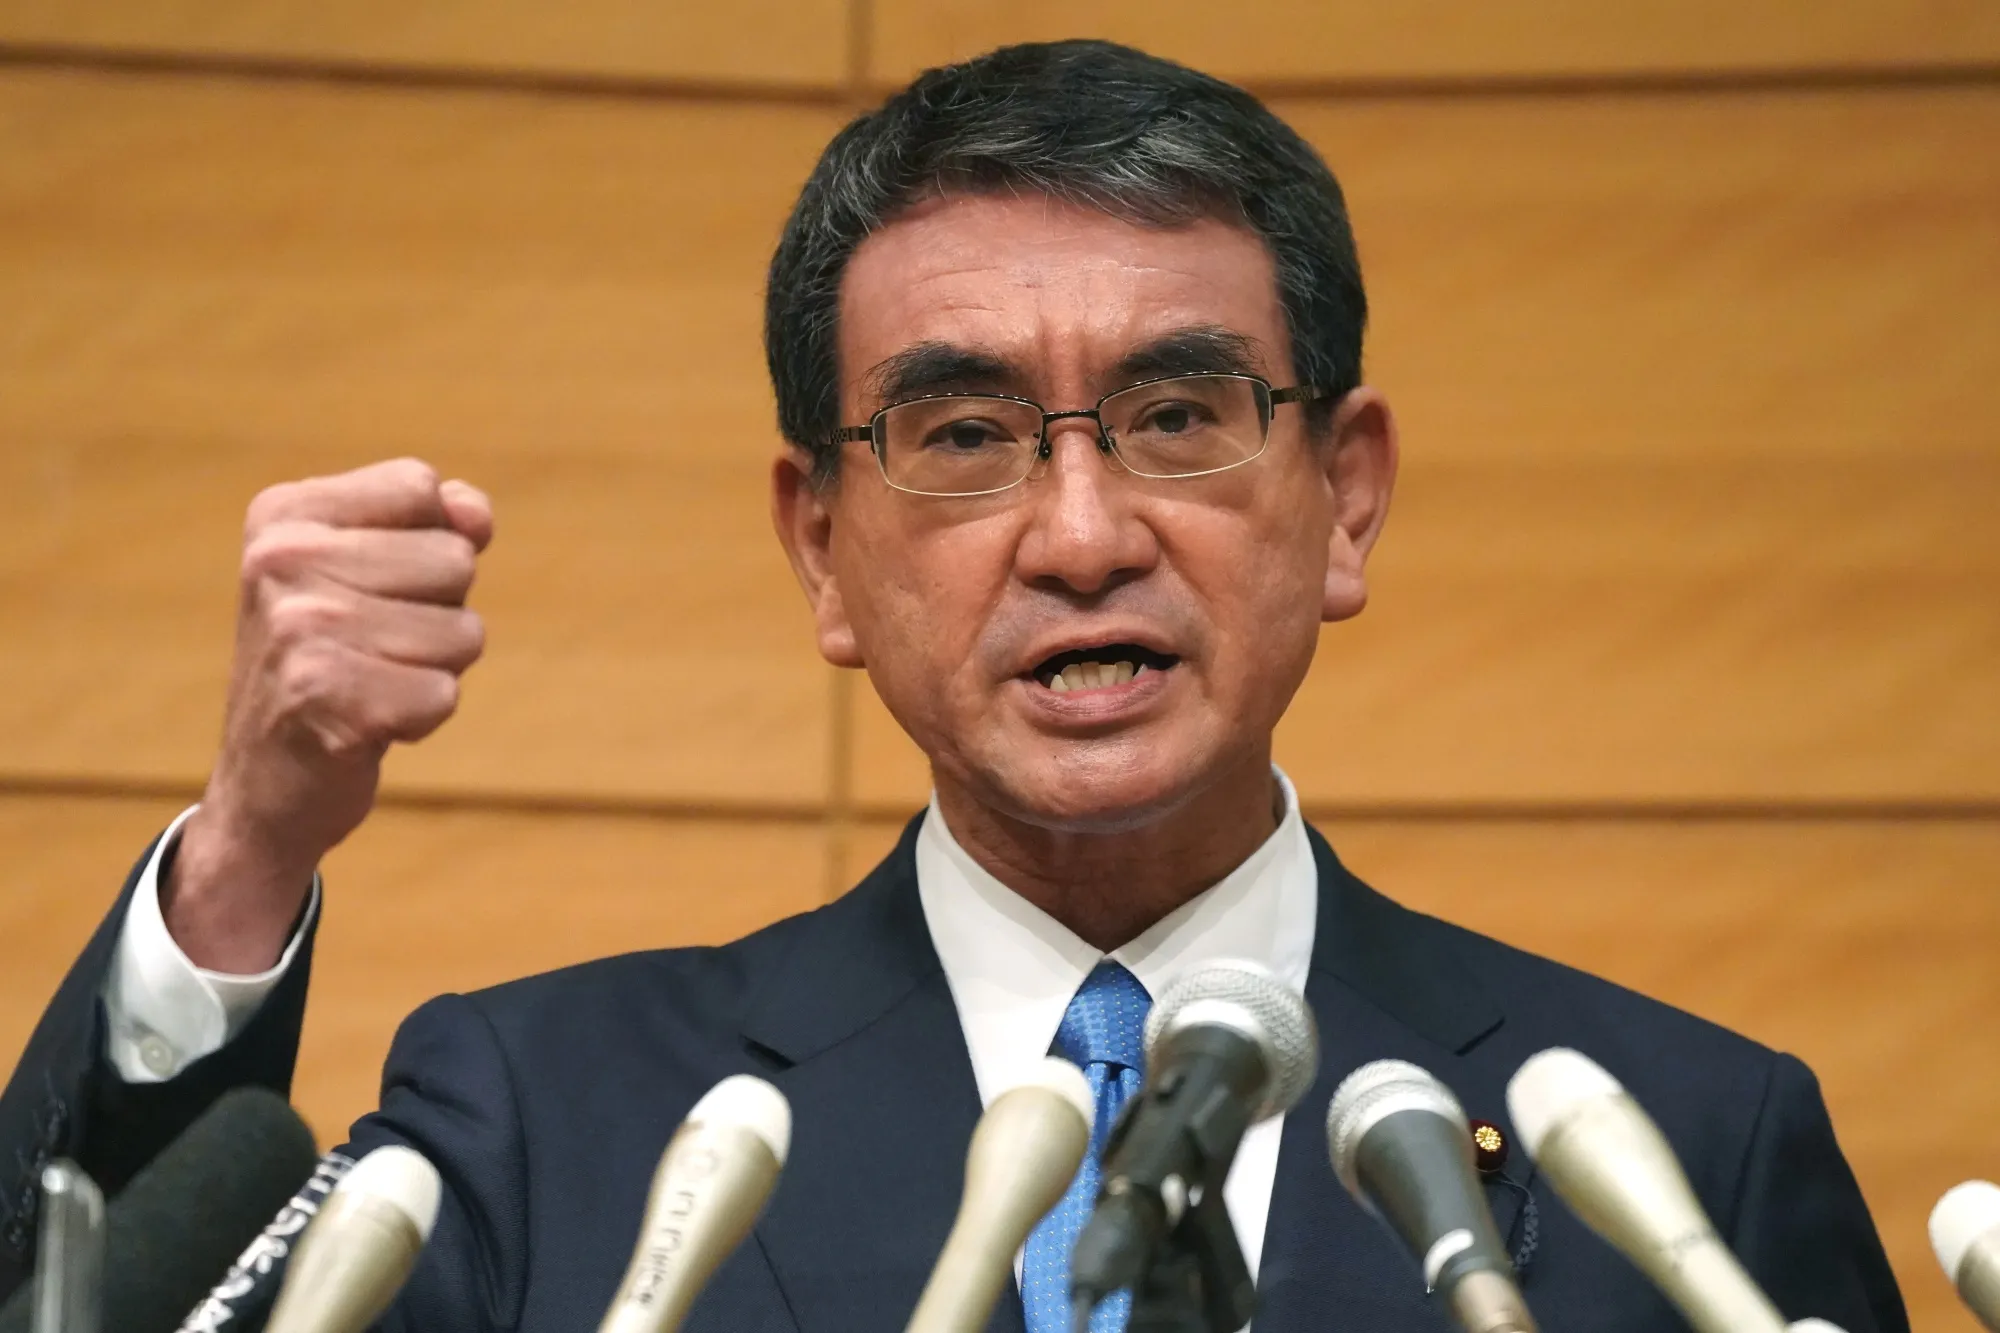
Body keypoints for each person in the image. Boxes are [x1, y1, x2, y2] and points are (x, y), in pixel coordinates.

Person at [0, 39, 1905, 1333]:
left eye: (1176, 415)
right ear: (821, 548)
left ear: (1346, 496)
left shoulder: (1682, 1145)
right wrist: (251, 845)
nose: (1081, 536)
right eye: (966, 434)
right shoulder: (545, 1119)